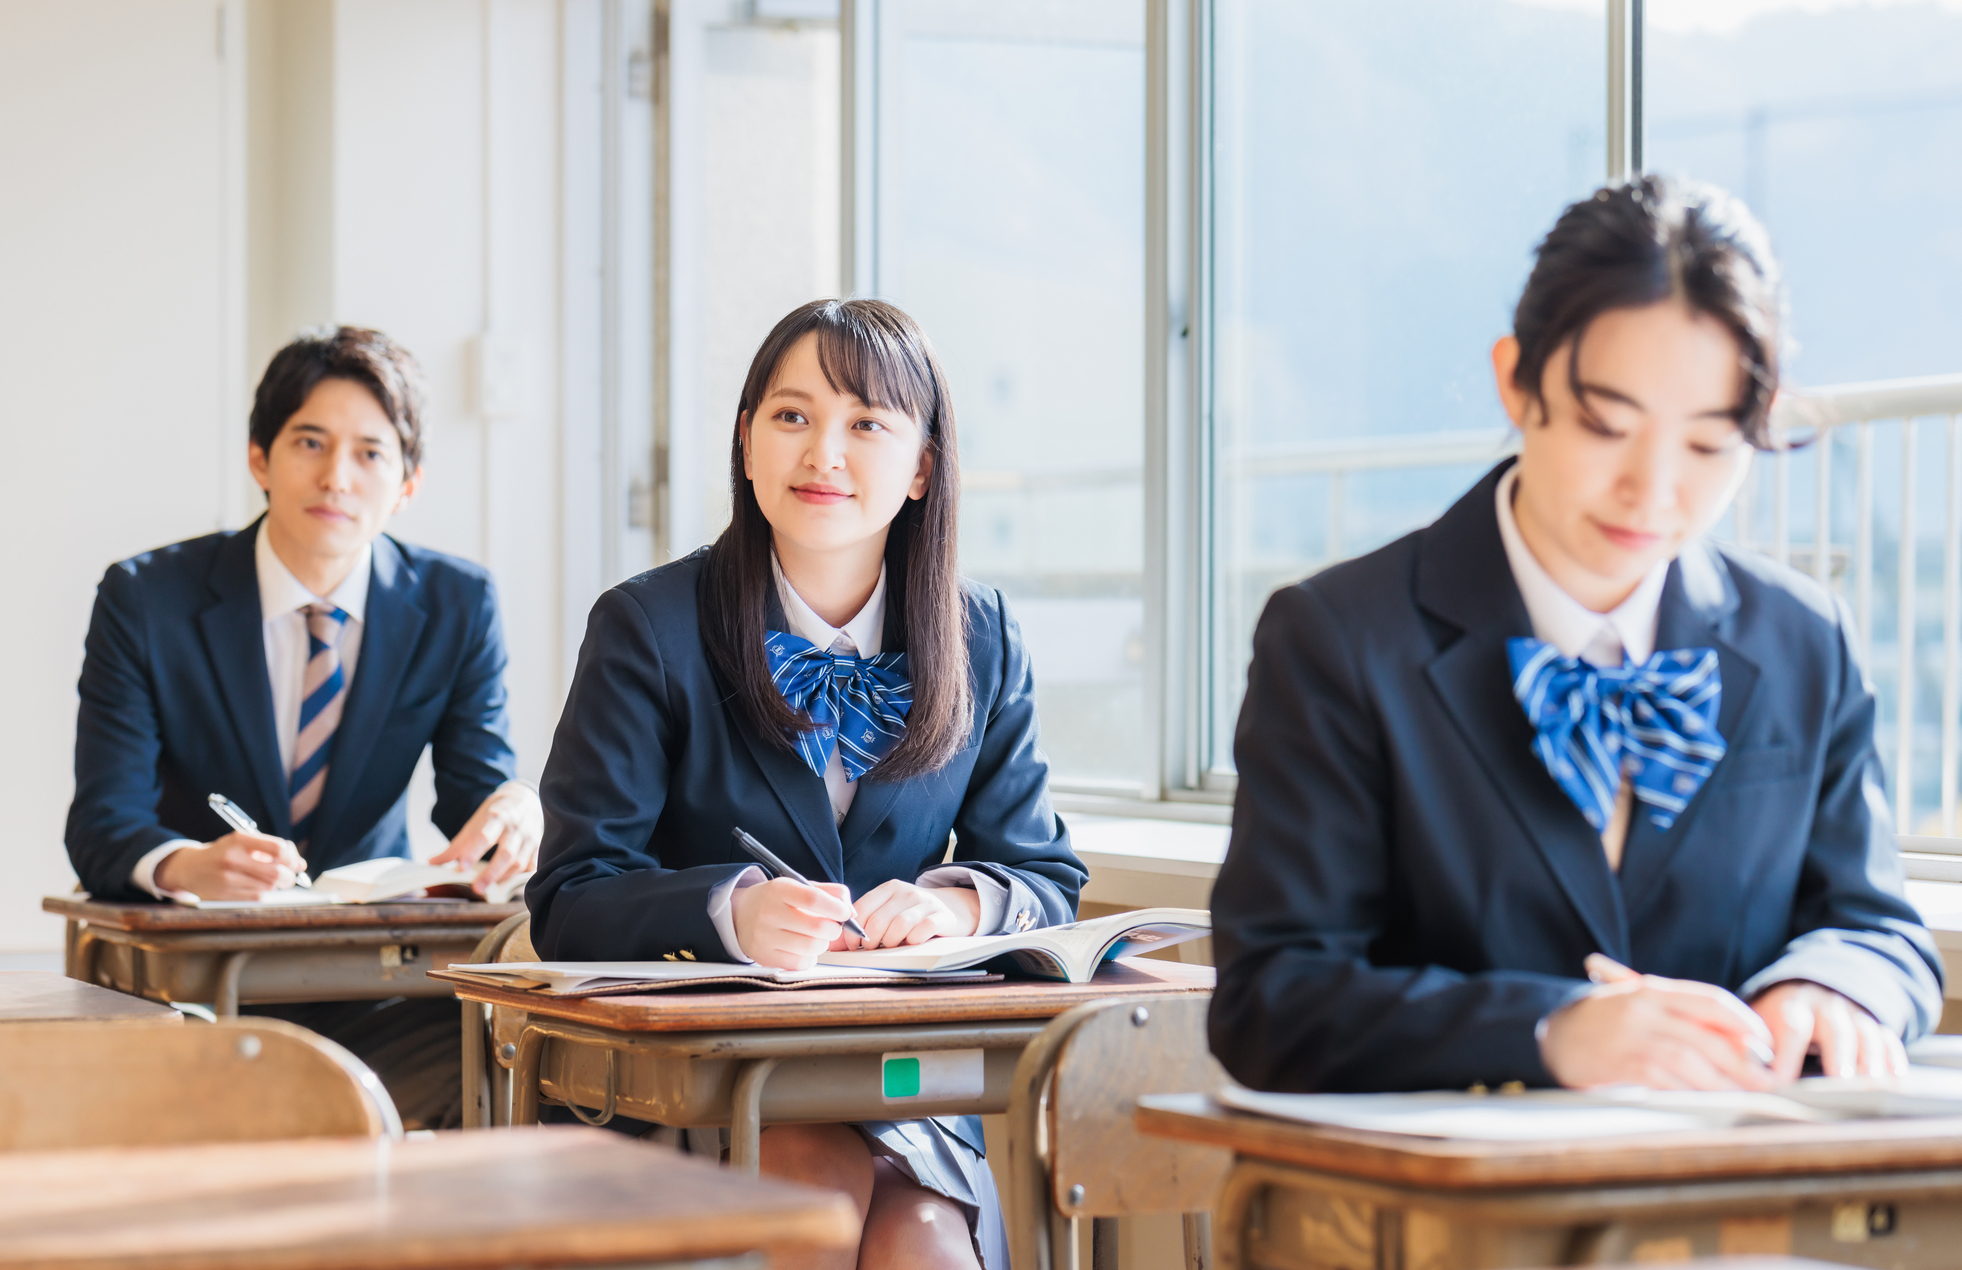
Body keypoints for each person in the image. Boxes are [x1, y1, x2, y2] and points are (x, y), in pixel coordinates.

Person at [1209, 176, 1942, 1096]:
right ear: (1516, 380)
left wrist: (1832, 985)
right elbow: (1273, 1000)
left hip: (1737, 1207)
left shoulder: (1802, 637)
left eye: (1710, 444)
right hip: (1448, 1216)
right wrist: (1548, 1029)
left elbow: (1878, 927)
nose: (1654, 488)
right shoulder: (1339, 639)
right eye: (1607, 425)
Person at [530, 298, 1086, 1270]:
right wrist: (729, 910)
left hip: (896, 1085)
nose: (822, 453)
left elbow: (1042, 872)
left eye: (865, 423)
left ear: (921, 467)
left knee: (925, 1243)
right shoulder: (645, 628)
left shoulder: (981, 635)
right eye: (791, 417)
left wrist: (958, 901)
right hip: (699, 1083)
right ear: (746, 445)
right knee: (808, 1181)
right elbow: (569, 895)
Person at [66, 325, 543, 1126]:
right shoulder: (147, 599)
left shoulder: (458, 604)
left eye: (370, 453)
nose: (336, 477)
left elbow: (474, 790)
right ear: (260, 458)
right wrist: (187, 865)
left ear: (409, 481)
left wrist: (513, 812)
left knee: (512, 1068)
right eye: (310, 443)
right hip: (189, 986)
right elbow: (102, 822)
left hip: (368, 983)